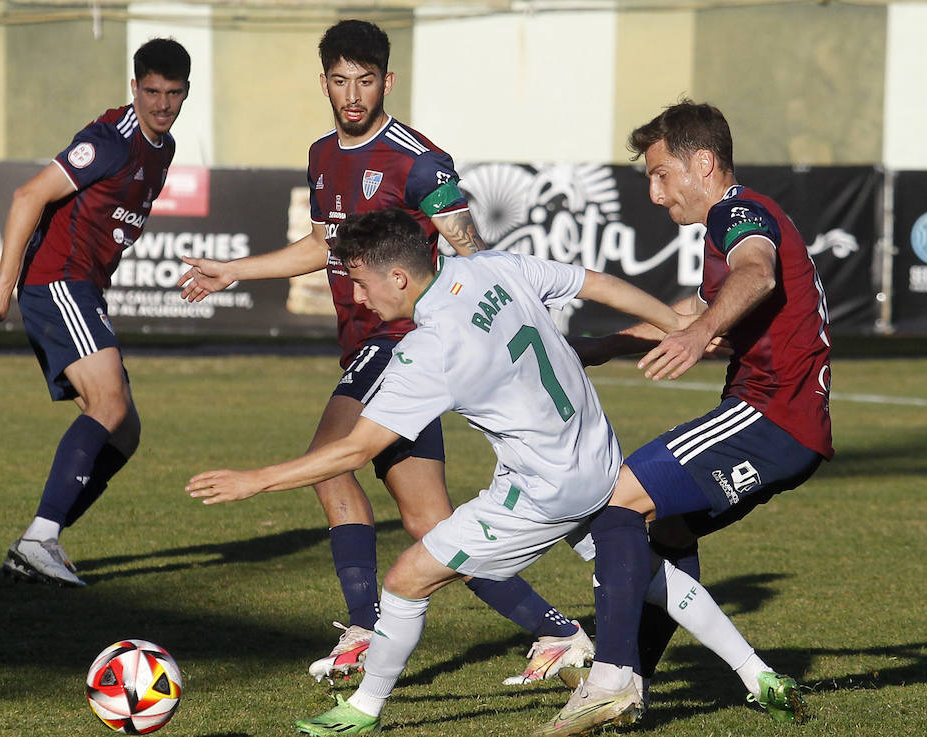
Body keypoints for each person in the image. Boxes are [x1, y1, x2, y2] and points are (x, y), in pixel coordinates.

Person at [176, 18, 591, 685]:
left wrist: (512, 330)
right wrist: (234, 270)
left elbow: (474, 254)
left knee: (329, 459)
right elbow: (324, 245)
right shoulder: (321, 154)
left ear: (387, 81)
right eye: (339, 80)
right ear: (324, 82)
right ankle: (558, 630)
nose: (352, 94)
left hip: (402, 341)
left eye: (365, 80)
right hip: (368, 347)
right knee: (429, 519)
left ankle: (367, 624)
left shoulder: (417, 160)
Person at [187, 208, 696, 735]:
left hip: (542, 489)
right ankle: (756, 672)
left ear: (399, 277)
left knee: (407, 578)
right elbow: (597, 282)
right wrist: (677, 323)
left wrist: (255, 481)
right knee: (648, 573)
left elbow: (355, 451)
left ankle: (366, 707)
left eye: (360, 284)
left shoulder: (427, 349)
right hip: (598, 458)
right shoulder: (490, 266)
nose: (358, 298)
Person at [535, 100, 829, 736]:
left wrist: (700, 339)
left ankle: (612, 677)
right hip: (785, 422)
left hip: (769, 412)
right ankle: (628, 681)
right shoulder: (729, 226)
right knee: (665, 533)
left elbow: (756, 274)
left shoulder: (738, 212)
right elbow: (693, 309)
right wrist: (610, 344)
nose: (655, 191)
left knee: (617, 500)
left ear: (704, 164)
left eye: (662, 173)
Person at [0, 38, 191, 587]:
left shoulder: (161, 149)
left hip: (82, 288)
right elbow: (29, 197)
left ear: (186, 93)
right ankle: (38, 539)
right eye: (152, 92)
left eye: (173, 94)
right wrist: (3, 285)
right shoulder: (110, 140)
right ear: (134, 87)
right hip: (56, 282)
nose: (162, 105)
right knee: (109, 402)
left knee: (124, 434)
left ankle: (41, 539)